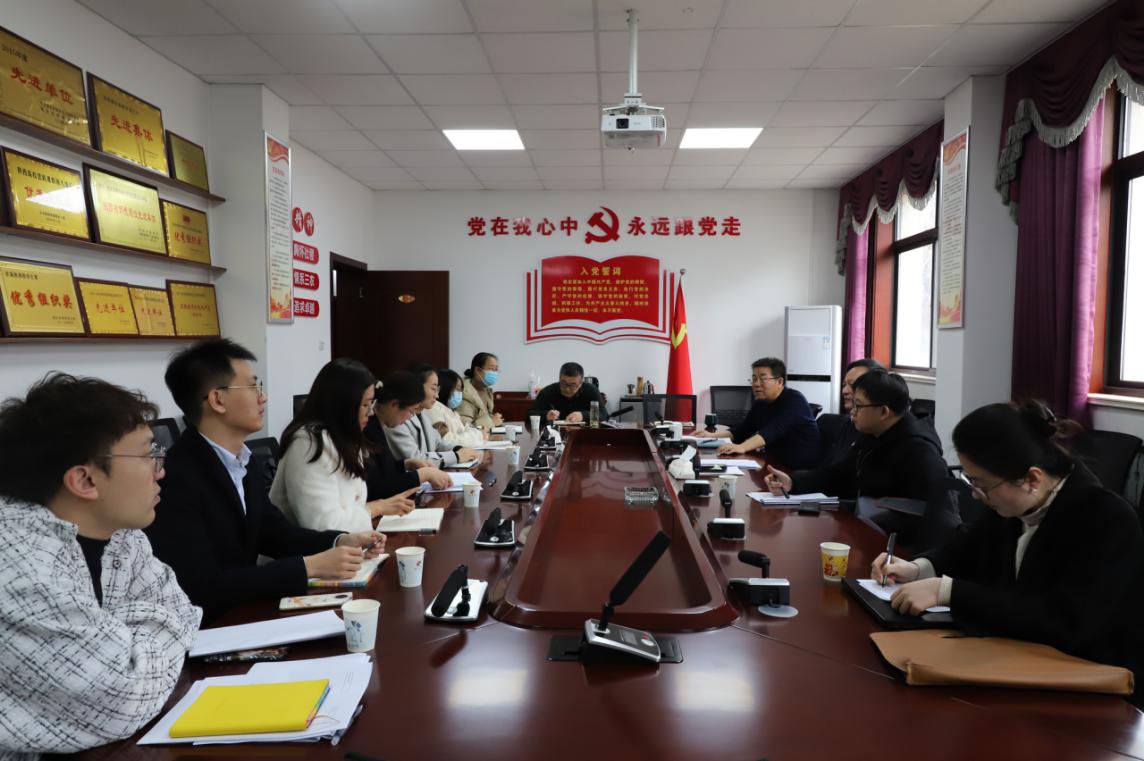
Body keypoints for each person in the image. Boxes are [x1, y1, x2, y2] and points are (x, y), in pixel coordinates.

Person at [0, 374, 200, 757]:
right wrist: (130, 641)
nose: (161, 470)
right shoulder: (18, 566)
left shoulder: (121, 534)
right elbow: (122, 698)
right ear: (85, 480)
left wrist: (125, 641)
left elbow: (183, 611)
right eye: (147, 455)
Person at [872, 401, 1144, 680]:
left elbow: (1063, 621)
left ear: (1032, 479)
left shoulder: (1106, 519)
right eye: (970, 481)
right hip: (1015, 656)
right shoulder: (1014, 503)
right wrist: (919, 568)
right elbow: (966, 550)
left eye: (981, 484)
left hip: (1083, 675)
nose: (975, 494)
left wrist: (950, 592)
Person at [147, 339, 386, 623]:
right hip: (214, 626)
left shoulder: (242, 462)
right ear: (218, 400)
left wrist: (339, 540)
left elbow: (275, 533)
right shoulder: (177, 477)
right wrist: (308, 567)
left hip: (247, 611)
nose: (263, 398)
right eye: (253, 387)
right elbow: (203, 586)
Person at [271, 359, 417, 533]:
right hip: (312, 549)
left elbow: (353, 505)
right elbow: (323, 525)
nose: (370, 412)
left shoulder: (346, 438)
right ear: (343, 404)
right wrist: (376, 508)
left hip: (347, 543)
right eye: (365, 404)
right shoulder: (308, 443)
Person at [765, 370, 946, 501]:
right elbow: (839, 474)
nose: (852, 411)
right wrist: (793, 482)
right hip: (867, 523)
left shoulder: (920, 451)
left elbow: (932, 513)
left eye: (858, 405)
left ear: (884, 412)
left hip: (891, 538)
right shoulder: (872, 435)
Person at [703, 358, 820, 470]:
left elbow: (773, 430)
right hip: (774, 462)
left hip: (798, 470)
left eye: (763, 379)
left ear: (780, 381)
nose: (756, 384)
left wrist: (742, 447)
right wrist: (712, 436)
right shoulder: (761, 402)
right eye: (754, 379)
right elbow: (743, 430)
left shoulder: (795, 400)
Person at [364, 370, 453, 500]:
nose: (411, 417)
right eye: (411, 411)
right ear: (394, 404)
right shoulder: (369, 428)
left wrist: (406, 464)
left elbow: (383, 470)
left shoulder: (378, 425)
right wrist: (423, 475)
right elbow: (379, 486)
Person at [384, 364, 478, 467]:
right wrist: (456, 456)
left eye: (437, 390)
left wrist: (458, 449)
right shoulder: (397, 418)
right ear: (417, 387)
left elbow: (438, 445)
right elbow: (416, 460)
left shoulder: (424, 415)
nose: (437, 395)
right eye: (433, 389)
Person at [819, 358, 886, 470]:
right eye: (844, 385)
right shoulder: (837, 424)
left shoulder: (879, 434)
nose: (844, 391)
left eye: (853, 385)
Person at [527, 362, 608, 427]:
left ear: (580, 383)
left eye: (573, 385)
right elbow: (529, 415)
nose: (567, 389)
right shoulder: (548, 392)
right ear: (559, 379)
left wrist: (583, 415)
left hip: (583, 434)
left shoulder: (591, 390)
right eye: (563, 383)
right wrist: (546, 415)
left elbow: (604, 415)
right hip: (554, 435)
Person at [424, 368, 486, 448]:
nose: (459, 393)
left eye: (461, 390)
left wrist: (475, 434)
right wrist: (479, 435)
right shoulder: (433, 407)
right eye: (457, 389)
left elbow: (463, 434)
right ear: (445, 388)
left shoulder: (452, 412)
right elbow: (448, 442)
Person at [457, 352, 502, 429]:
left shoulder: (487, 391)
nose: (494, 373)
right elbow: (465, 426)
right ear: (478, 370)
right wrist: (492, 422)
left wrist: (493, 418)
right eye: (491, 369)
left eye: (496, 370)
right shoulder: (464, 393)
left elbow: (481, 418)